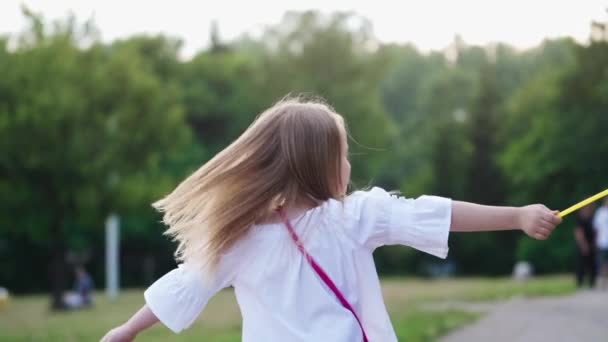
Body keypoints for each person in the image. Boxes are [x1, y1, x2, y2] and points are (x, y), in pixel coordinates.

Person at [101, 96, 561, 342]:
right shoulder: (356, 216)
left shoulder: (240, 238)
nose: (349, 166)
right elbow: (437, 214)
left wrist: (128, 329)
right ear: (317, 164)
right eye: (342, 155)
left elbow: (187, 286)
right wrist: (517, 216)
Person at [574, 204, 597, 288]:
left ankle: (592, 283)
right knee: (581, 264)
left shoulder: (593, 216)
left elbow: (596, 230)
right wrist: (583, 245)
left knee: (592, 264)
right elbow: (578, 232)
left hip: (591, 244)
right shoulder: (581, 218)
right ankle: (579, 283)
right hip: (582, 244)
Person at [593, 198, 608, 289]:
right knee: (601, 263)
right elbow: (597, 228)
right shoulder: (600, 212)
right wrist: (596, 240)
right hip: (602, 242)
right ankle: (601, 282)